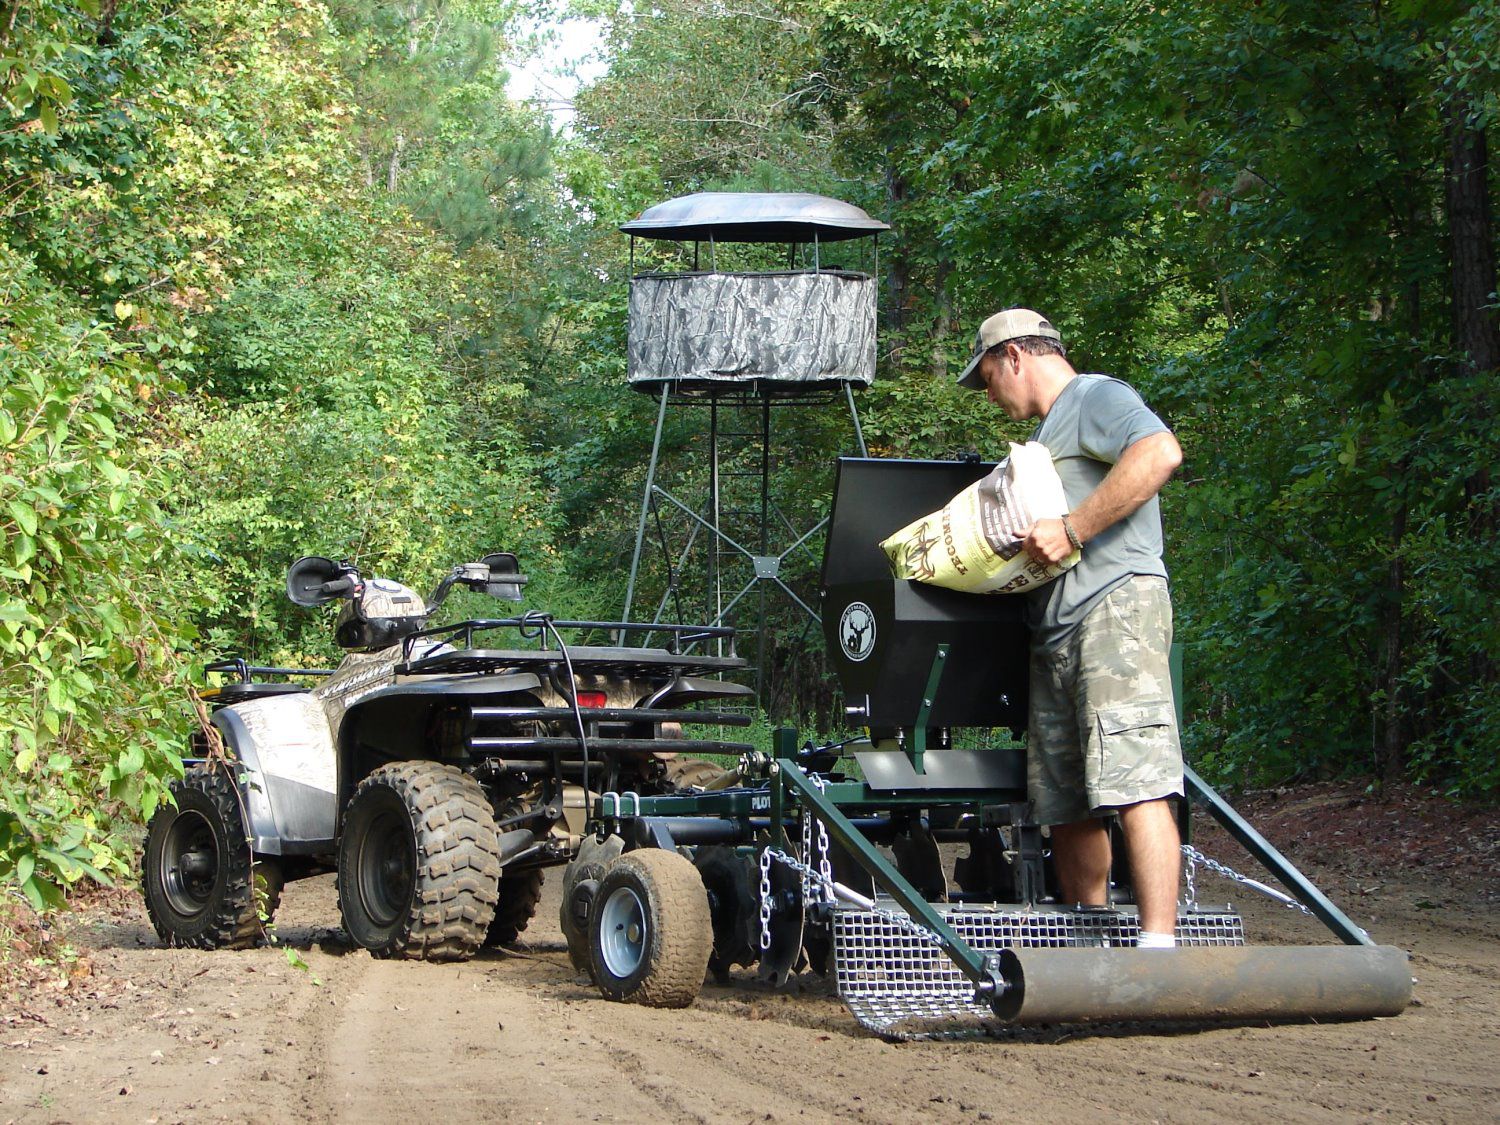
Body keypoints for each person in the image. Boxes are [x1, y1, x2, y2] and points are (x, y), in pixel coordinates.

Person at [957, 308, 1185, 948]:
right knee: (1067, 802)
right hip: (1055, 632)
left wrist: (1073, 528)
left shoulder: (1095, 396)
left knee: (1136, 778)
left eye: (987, 379)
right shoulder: (1048, 434)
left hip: (1114, 612)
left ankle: (1158, 952)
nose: (991, 396)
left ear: (1014, 357)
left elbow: (1160, 451)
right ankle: (1093, 948)